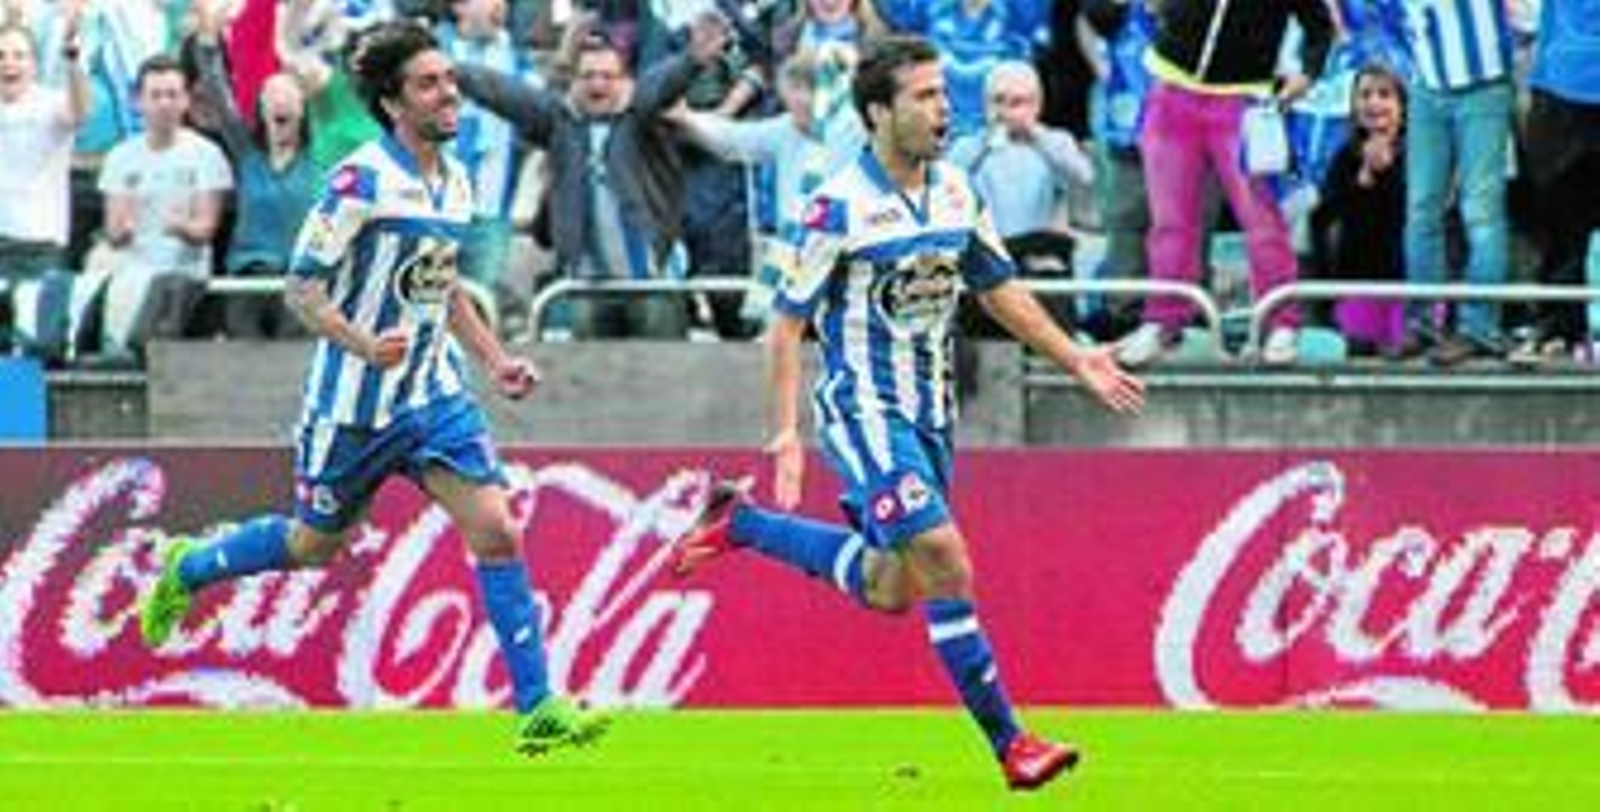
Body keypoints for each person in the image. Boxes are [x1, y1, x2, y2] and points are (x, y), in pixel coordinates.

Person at [668, 35, 1145, 791]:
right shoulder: (838, 205)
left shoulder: (956, 190)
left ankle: (741, 523)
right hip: (864, 412)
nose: (941, 108)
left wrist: (1077, 356)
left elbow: (998, 288)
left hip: (931, 415)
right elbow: (787, 322)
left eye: (942, 94)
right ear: (877, 113)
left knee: (895, 589)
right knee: (948, 561)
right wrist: (786, 431)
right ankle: (1012, 746)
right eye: (923, 96)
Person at [135, 20, 609, 754]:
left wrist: (493, 359)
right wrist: (362, 343)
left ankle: (537, 707)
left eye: (450, 80)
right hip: (352, 406)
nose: (449, 93)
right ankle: (188, 566)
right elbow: (301, 288)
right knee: (312, 545)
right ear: (393, 103)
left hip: (432, 396)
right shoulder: (360, 179)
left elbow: (441, 284)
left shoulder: (454, 178)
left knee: (497, 527)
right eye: (429, 84)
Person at [191, 0, 318, 340]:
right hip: (248, 275)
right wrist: (207, 42)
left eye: (288, 97)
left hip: (301, 279)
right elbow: (218, 91)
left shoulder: (318, 155)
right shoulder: (248, 153)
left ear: (303, 109)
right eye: (271, 97)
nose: (280, 104)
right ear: (260, 108)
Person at [97, 53, 234, 361]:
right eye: (155, 95)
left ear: (185, 101)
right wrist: (123, 229)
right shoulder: (120, 158)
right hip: (133, 274)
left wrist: (182, 227)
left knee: (163, 304)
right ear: (139, 102)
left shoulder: (206, 154)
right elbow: (114, 234)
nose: (164, 104)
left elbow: (206, 229)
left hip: (185, 274)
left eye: (172, 95)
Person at [1309, 62, 1408, 356]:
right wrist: (1362, 179)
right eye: (1365, 95)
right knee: (1357, 351)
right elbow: (1324, 220)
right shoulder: (1345, 156)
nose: (1374, 103)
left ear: (1402, 105)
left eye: (1384, 94)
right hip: (1358, 283)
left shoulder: (1423, 152)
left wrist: (1389, 173)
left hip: (1410, 285)